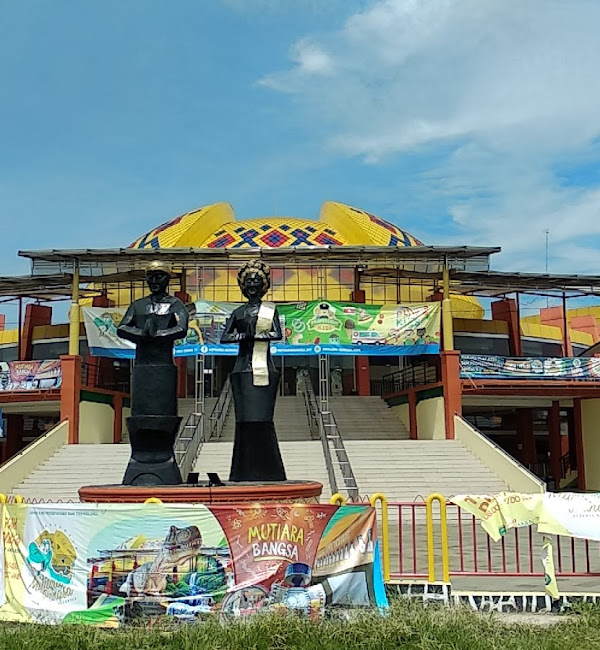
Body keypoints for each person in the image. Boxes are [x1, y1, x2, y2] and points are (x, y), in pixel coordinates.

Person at [221, 260, 286, 482]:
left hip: (264, 367)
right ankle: (242, 470)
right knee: (244, 421)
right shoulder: (238, 312)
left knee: (263, 419)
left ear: (264, 285)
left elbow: (276, 333)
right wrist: (242, 336)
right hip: (242, 367)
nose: (252, 284)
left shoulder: (270, 310)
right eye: (248, 281)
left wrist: (256, 335)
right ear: (242, 286)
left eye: (256, 281)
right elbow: (225, 336)